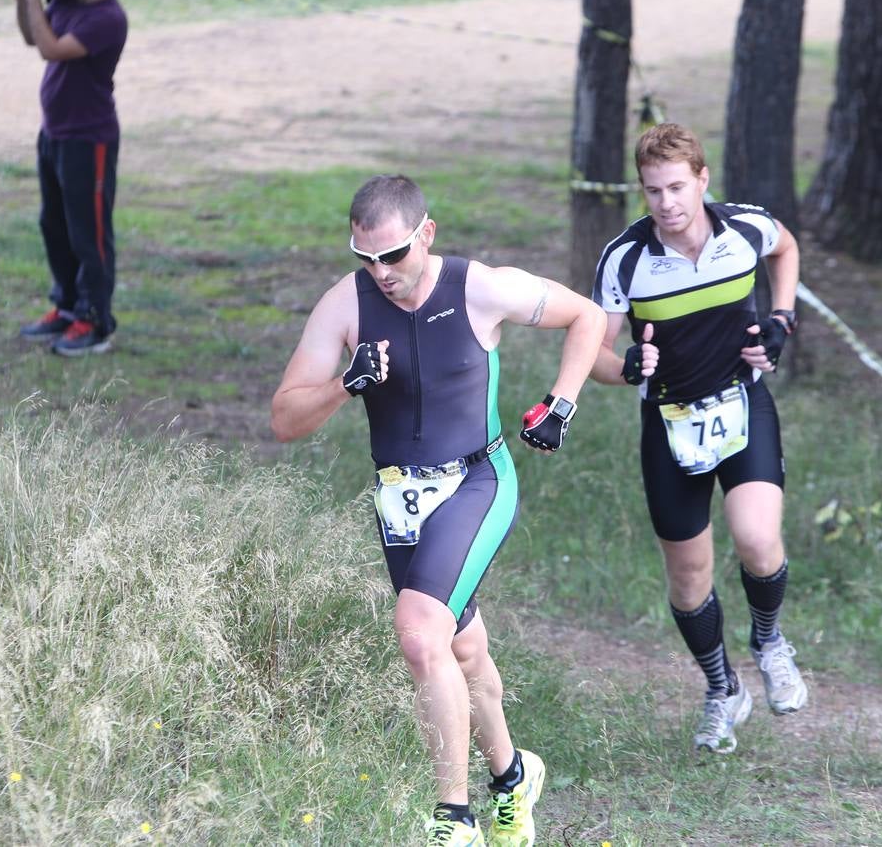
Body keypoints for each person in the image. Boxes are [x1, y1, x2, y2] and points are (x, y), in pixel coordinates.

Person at [272, 174, 605, 846]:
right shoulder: (346, 305)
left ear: (426, 234)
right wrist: (345, 385)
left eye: (393, 255)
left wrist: (561, 403)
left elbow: (587, 316)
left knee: (420, 634)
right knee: (460, 645)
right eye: (366, 259)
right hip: (399, 498)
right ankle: (515, 778)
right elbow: (283, 419)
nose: (382, 273)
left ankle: (454, 820)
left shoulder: (479, 287)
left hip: (477, 481)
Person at [589, 122, 808, 754]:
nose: (667, 203)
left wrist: (782, 320)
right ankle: (722, 690)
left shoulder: (743, 228)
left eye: (678, 187)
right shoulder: (624, 258)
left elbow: (786, 249)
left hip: (743, 406)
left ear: (702, 180)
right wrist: (626, 365)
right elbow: (595, 352)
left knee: (759, 540)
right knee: (689, 579)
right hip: (669, 424)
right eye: (653, 191)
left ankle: (769, 642)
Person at [14, 0, 128, 357]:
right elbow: (33, 35)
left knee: (89, 234)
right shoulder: (65, 1)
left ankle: (95, 320)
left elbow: (52, 49)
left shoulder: (108, 18)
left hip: (89, 139)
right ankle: (66, 307)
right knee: (54, 224)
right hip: (55, 134)